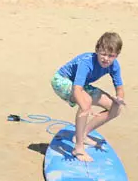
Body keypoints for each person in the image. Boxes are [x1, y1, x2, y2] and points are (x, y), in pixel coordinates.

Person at [51, 33, 127, 162]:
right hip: (61, 80)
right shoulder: (86, 62)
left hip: (81, 85)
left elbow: (120, 88)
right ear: (97, 50)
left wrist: (119, 98)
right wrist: (85, 106)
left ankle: (82, 134)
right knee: (86, 102)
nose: (106, 59)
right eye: (103, 54)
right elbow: (77, 89)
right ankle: (78, 149)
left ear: (117, 55)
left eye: (111, 56)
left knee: (116, 108)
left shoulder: (114, 65)